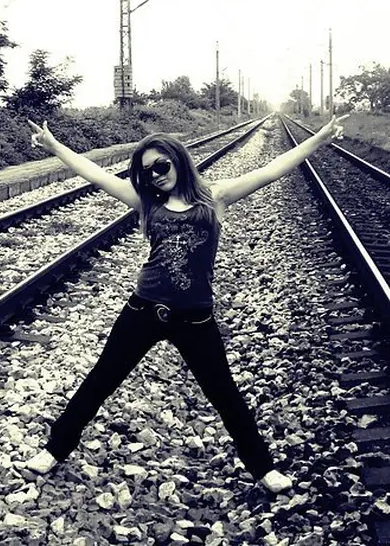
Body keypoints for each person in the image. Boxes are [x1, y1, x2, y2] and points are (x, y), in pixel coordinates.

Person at [25, 113, 348, 493]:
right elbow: (96, 174)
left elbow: (272, 170)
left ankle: (263, 469)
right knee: (101, 379)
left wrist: (319, 139)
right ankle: (54, 449)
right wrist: (54, 146)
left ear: (178, 160)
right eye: (147, 172)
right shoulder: (147, 203)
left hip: (194, 318)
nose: (155, 176)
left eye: (161, 166)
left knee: (224, 393)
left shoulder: (215, 197)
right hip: (144, 309)